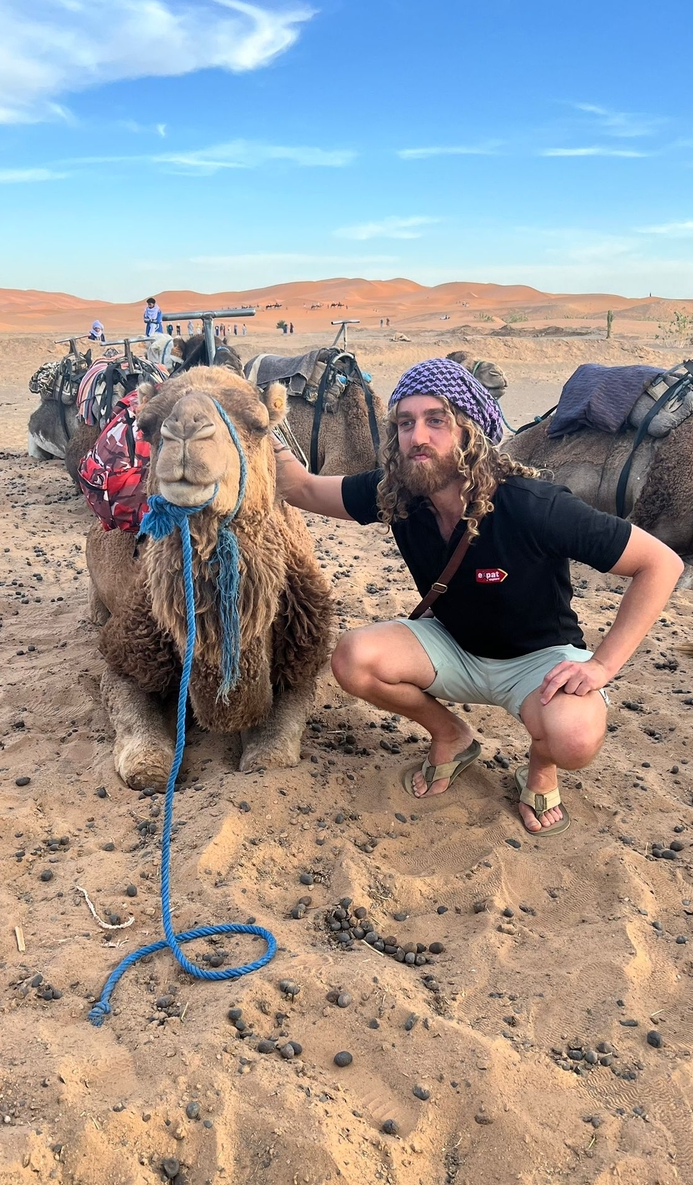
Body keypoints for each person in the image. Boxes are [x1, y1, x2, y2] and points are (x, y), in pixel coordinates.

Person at [273, 358, 683, 837]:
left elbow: (661, 564)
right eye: (405, 423)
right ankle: (451, 734)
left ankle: (541, 768)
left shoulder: (533, 505)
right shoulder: (396, 495)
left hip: (539, 662)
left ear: (469, 429)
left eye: (436, 420)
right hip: (455, 646)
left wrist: (602, 665)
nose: (417, 436)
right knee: (353, 659)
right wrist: (251, 420)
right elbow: (301, 488)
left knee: (574, 739)